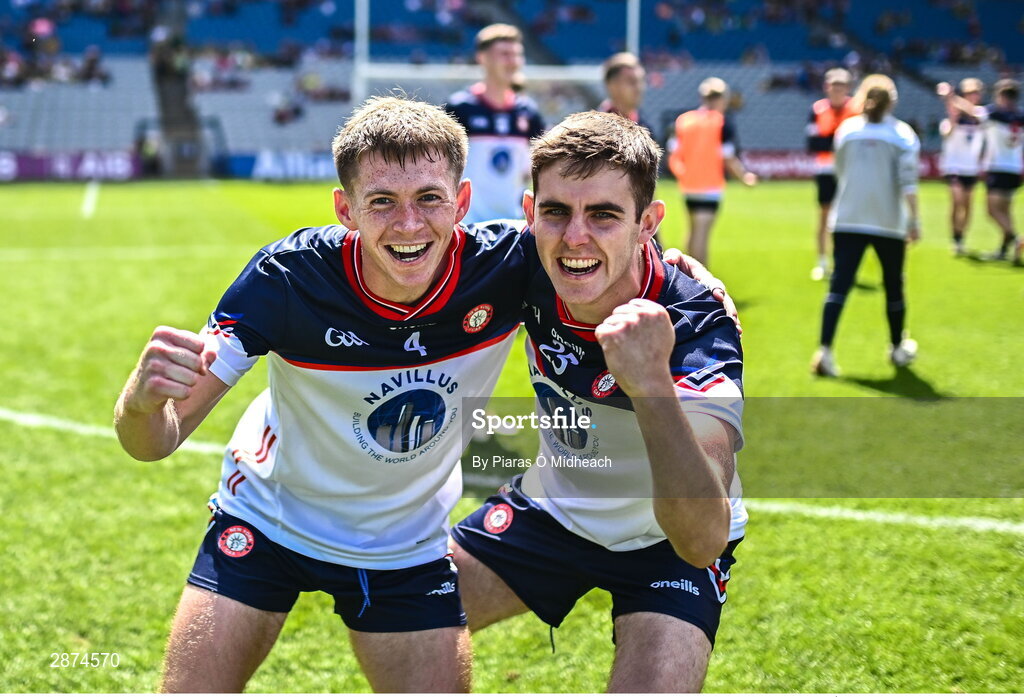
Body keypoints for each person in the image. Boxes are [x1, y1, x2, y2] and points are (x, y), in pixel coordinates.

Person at [113, 96, 729, 693]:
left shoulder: (551, 277)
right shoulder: (291, 278)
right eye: (382, 201)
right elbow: (155, 440)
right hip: (274, 518)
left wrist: (664, 335)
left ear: (461, 202)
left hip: (428, 546)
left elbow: (701, 537)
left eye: (429, 199)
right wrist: (140, 403)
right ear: (345, 209)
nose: (409, 225)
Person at [451, 111, 746, 692]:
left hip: (667, 546)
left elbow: (701, 538)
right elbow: (394, 254)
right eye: (557, 211)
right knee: (402, 615)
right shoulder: (517, 261)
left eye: (605, 215)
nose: (575, 237)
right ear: (531, 210)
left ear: (648, 223)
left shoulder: (695, 317)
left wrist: (651, 387)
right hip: (553, 510)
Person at [811, 75, 921, 378]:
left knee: (839, 285)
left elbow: (839, 170)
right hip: (888, 220)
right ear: (893, 101)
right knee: (893, 284)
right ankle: (898, 347)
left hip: (847, 216)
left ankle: (825, 350)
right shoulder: (902, 134)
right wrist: (915, 219)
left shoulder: (847, 130)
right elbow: (908, 181)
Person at [445, 24, 545, 224]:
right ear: (482, 58)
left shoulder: (528, 111)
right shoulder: (460, 108)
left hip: (513, 224)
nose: (513, 62)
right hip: (468, 223)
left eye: (517, 55)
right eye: (505, 54)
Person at [668, 76, 758, 266]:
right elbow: (728, 157)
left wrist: (682, 174)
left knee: (692, 231)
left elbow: (674, 154)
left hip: (688, 185)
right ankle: (700, 284)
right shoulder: (721, 122)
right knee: (702, 234)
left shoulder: (685, 120)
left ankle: (684, 278)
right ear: (723, 98)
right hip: (709, 187)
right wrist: (744, 178)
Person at [938, 78, 1024, 264]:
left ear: (1001, 96)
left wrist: (951, 96)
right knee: (1006, 210)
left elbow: (972, 111)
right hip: (1016, 168)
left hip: (998, 167)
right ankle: (1003, 250)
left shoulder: (996, 114)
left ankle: (1016, 238)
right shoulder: (1020, 117)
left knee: (993, 211)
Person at [806, 67, 859, 280]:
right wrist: (838, 140)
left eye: (841, 87)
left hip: (850, 170)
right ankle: (822, 261)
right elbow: (813, 144)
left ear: (848, 88)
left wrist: (828, 140)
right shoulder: (817, 109)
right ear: (826, 87)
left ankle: (844, 263)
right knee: (825, 216)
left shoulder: (857, 108)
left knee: (849, 218)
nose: (837, 91)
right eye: (833, 86)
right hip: (826, 169)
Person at [937, 78, 985, 256]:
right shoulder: (951, 120)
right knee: (957, 201)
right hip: (954, 167)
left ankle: (961, 236)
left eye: (976, 93)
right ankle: (955, 237)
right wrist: (952, 110)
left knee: (967, 206)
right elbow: (947, 133)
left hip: (971, 168)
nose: (974, 96)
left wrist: (951, 97)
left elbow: (974, 112)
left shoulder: (980, 115)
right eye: (970, 93)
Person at [598, 52, 651, 133]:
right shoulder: (597, 127)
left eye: (641, 81)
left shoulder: (646, 127)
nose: (639, 87)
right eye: (631, 81)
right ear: (612, 85)